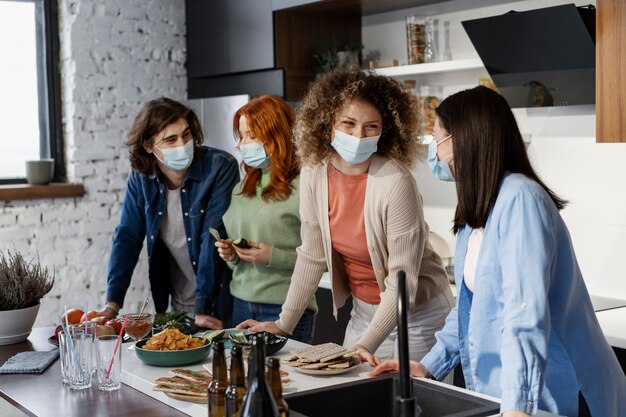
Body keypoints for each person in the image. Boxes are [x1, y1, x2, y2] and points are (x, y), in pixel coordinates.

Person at [369, 86, 626, 417]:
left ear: (465, 139)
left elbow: (524, 314)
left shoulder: (521, 200)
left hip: (554, 394)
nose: (435, 150)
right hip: (512, 396)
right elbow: (469, 310)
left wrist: (518, 404)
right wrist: (428, 365)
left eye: (438, 138)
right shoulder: (475, 214)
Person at [238, 68, 454, 365]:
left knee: (413, 408)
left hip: (418, 317)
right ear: (328, 125)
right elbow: (312, 254)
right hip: (364, 311)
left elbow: (402, 281)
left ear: (385, 130)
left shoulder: (395, 181)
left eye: (371, 126)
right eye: (348, 124)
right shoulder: (315, 172)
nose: (358, 135)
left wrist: (365, 345)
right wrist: (283, 324)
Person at [99, 97, 240, 330]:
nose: (182, 144)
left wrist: (203, 310)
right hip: (177, 305)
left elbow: (212, 236)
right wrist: (112, 304)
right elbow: (127, 238)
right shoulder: (142, 178)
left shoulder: (220, 166)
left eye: (186, 134)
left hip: (221, 302)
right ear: (148, 146)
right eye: (170, 139)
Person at [214, 95, 317, 343]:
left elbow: (322, 258)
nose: (243, 144)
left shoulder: (306, 185)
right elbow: (237, 260)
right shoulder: (241, 189)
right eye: (242, 136)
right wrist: (230, 256)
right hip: (240, 303)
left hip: (287, 307)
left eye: (252, 135)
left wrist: (274, 257)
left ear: (278, 134)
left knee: (286, 381)